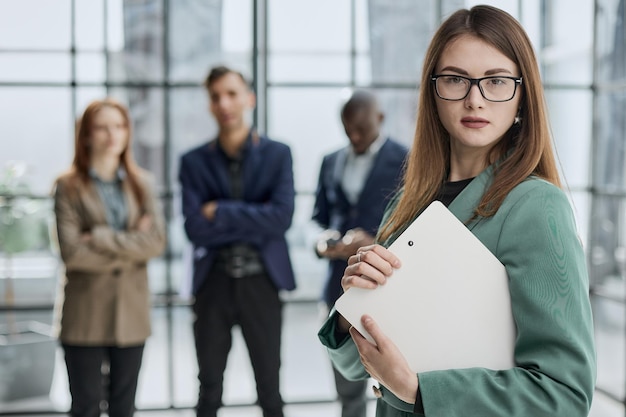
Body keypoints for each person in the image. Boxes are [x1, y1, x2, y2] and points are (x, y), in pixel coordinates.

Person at [318, 5, 596, 417]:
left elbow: (564, 395)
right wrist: (353, 309)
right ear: (433, 89)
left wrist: (419, 390)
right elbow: (359, 366)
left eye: (496, 81)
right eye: (455, 79)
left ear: (522, 94)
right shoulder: (405, 203)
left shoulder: (537, 208)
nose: (474, 99)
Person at [178, 65, 296, 417]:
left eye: (231, 93)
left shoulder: (278, 154)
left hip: (262, 282)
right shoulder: (192, 162)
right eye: (216, 97)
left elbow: (281, 219)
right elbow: (195, 229)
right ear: (209, 105)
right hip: (212, 283)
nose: (224, 103)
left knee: (269, 388)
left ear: (249, 99)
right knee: (209, 387)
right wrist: (253, 216)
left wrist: (220, 211)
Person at [53, 98, 166, 417]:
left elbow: (156, 242)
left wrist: (100, 237)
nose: (111, 134)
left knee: (123, 408)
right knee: (86, 407)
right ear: (86, 135)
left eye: (118, 126)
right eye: (102, 127)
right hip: (84, 315)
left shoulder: (142, 183)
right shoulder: (68, 186)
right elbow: (73, 254)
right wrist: (132, 247)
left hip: (131, 313)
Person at [312, 90, 408, 417]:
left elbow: (415, 224)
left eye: (361, 129)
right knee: (346, 385)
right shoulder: (330, 161)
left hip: (387, 283)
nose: (354, 136)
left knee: (393, 382)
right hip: (337, 285)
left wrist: (376, 239)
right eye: (347, 129)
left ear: (380, 120)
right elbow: (321, 218)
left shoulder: (407, 159)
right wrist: (326, 242)